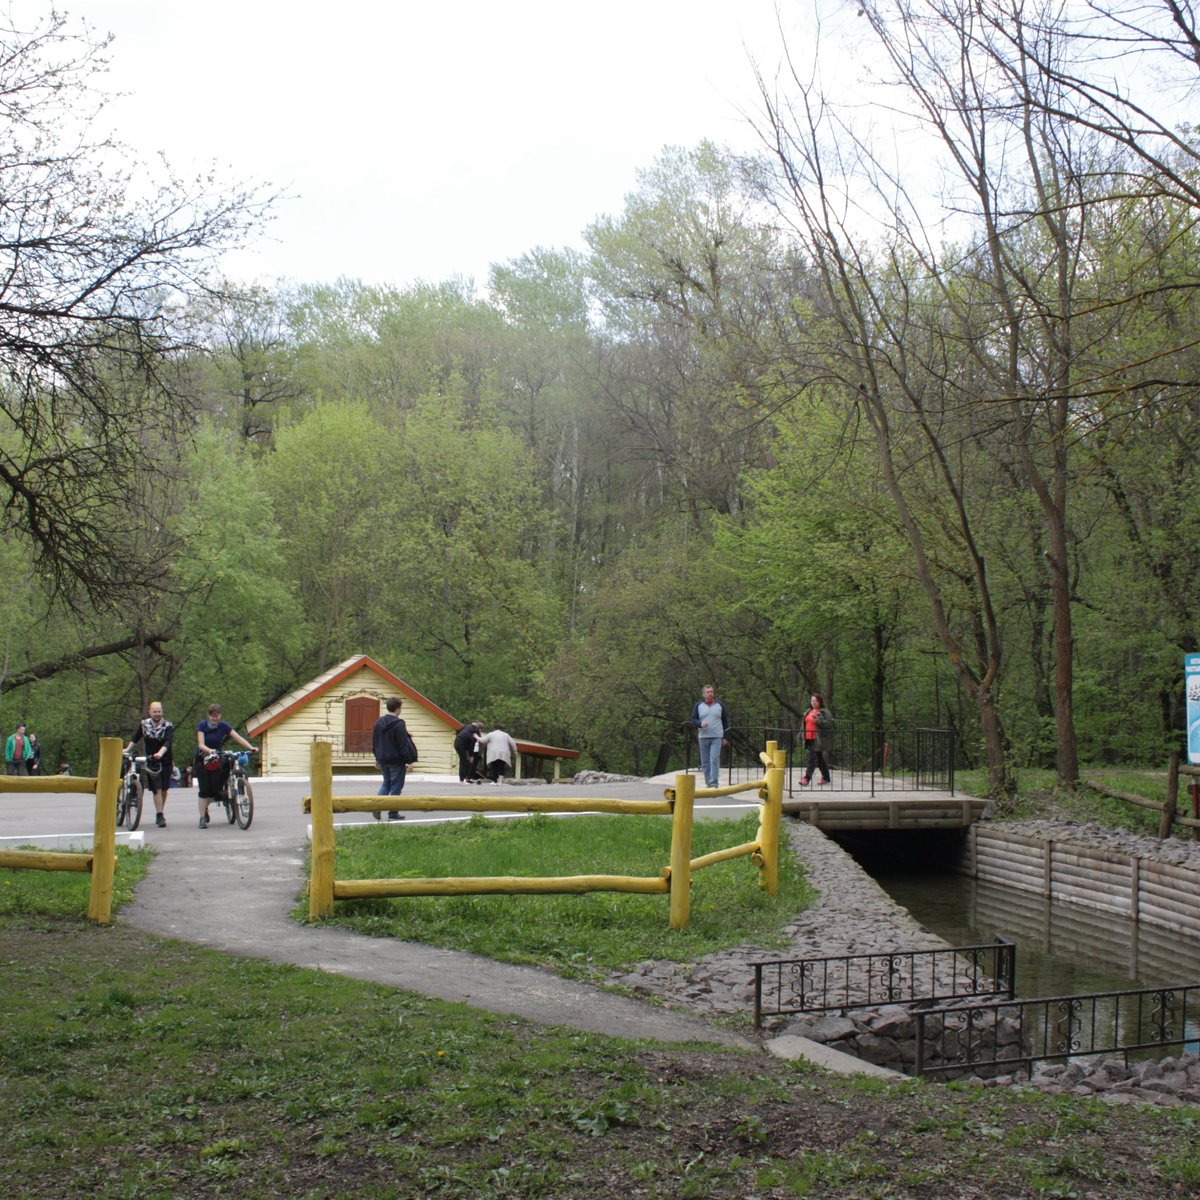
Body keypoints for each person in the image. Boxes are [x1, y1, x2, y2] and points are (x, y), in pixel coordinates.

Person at [194, 703, 256, 828]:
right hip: (203, 759)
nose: (214, 719)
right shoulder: (202, 725)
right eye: (212, 716)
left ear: (220, 715)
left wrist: (250, 747)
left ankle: (226, 794)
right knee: (205, 790)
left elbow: (237, 737)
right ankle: (202, 817)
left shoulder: (223, 726)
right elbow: (201, 744)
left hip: (216, 758)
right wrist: (210, 750)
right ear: (209, 715)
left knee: (215, 788)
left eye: (217, 716)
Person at [125, 700, 175, 828]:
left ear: (162, 712)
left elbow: (167, 742)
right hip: (151, 761)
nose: (157, 714)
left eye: (159, 711)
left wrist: (160, 753)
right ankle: (159, 814)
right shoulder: (144, 725)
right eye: (154, 712)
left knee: (164, 789)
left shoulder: (168, 726)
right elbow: (135, 738)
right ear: (150, 712)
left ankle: (160, 811)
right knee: (156, 788)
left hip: (165, 760)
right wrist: (127, 749)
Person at [372, 697, 415, 821]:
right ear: (397, 709)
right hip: (396, 759)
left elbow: (375, 741)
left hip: (382, 758)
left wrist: (377, 758)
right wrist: (408, 761)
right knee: (396, 786)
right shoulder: (399, 724)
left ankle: (377, 806)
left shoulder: (378, 722)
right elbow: (403, 744)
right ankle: (393, 813)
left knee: (386, 783)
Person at [689, 684, 730, 789]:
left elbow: (725, 721)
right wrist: (700, 724)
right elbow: (693, 720)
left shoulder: (720, 705)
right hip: (703, 737)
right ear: (704, 694)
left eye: (712, 691)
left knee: (714, 759)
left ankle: (714, 783)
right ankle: (708, 783)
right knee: (705, 762)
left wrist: (726, 737)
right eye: (708, 692)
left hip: (717, 736)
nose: (710, 693)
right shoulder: (699, 706)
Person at [800, 693, 832, 787]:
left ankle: (806, 778)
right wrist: (800, 734)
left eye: (815, 701)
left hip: (818, 739)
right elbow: (804, 724)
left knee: (812, 759)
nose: (813, 702)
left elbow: (829, 725)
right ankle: (826, 777)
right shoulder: (808, 711)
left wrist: (818, 721)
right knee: (819, 759)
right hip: (808, 737)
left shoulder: (824, 712)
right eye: (812, 700)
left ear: (820, 702)